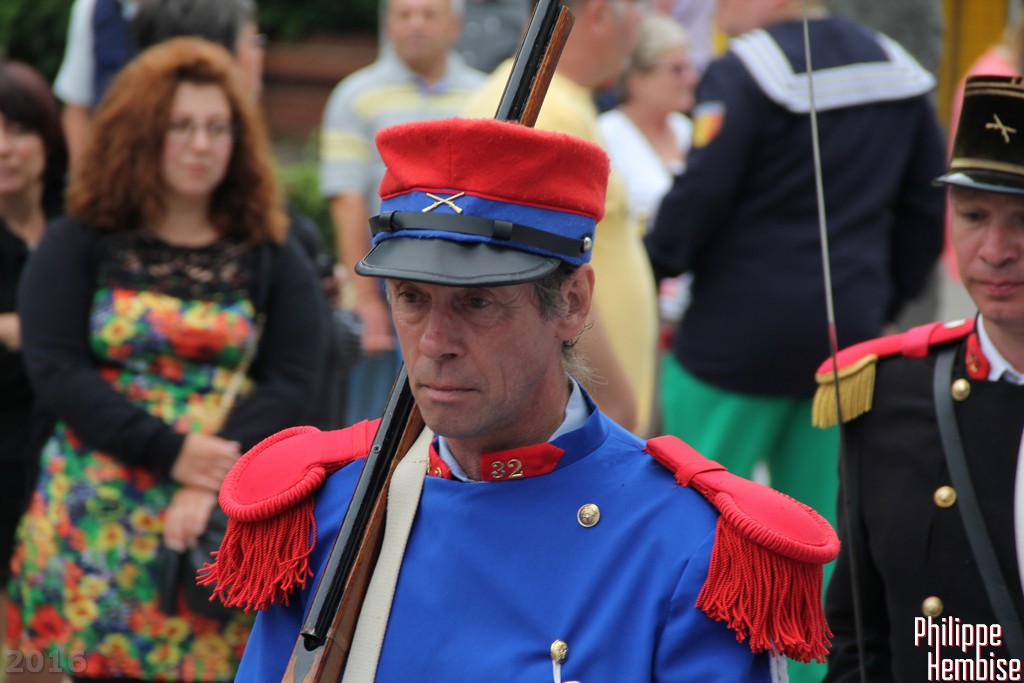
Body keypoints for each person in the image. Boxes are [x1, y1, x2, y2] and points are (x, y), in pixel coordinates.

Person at [199, 115, 840, 681]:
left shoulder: (687, 548)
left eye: (477, 303)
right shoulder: (333, 512)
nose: (435, 343)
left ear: (573, 303)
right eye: (412, 299)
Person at [5, 37, 324, 682]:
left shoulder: (272, 252)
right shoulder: (78, 241)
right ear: (140, 134)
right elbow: (57, 370)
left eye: (217, 128)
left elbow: (293, 379)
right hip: (92, 511)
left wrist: (210, 471)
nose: (201, 145)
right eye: (180, 126)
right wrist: (169, 451)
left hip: (214, 519)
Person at [644, 1, 946, 679]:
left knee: (695, 524)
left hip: (731, 345)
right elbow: (929, 208)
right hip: (846, 350)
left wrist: (651, 264)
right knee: (820, 542)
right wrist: (881, 298)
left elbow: (700, 198)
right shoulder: (897, 69)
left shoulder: (745, 70)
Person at [818, 73, 1024, 683]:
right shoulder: (888, 392)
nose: (994, 249)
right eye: (974, 215)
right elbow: (858, 636)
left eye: (1022, 220)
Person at [464, 0, 657, 435]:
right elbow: (549, 270)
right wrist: (611, 400)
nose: (641, 23)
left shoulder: (560, 100)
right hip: (583, 415)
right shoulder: (547, 108)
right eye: (633, 9)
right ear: (599, 15)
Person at [320, 0, 485, 427]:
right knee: (373, 424)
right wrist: (365, 298)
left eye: (429, 14)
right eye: (404, 14)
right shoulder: (355, 96)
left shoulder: (485, 96)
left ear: (456, 25)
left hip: (469, 284)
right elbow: (346, 198)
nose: (416, 24)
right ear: (387, 23)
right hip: (385, 286)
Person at [0, 60, 68, 672]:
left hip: (66, 463)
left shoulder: (78, 231)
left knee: (48, 652)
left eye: (18, 129)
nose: (4, 147)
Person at [52, 0, 142, 175]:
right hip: (111, 166)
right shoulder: (91, 7)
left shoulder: (193, 9)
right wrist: (83, 178)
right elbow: (78, 108)